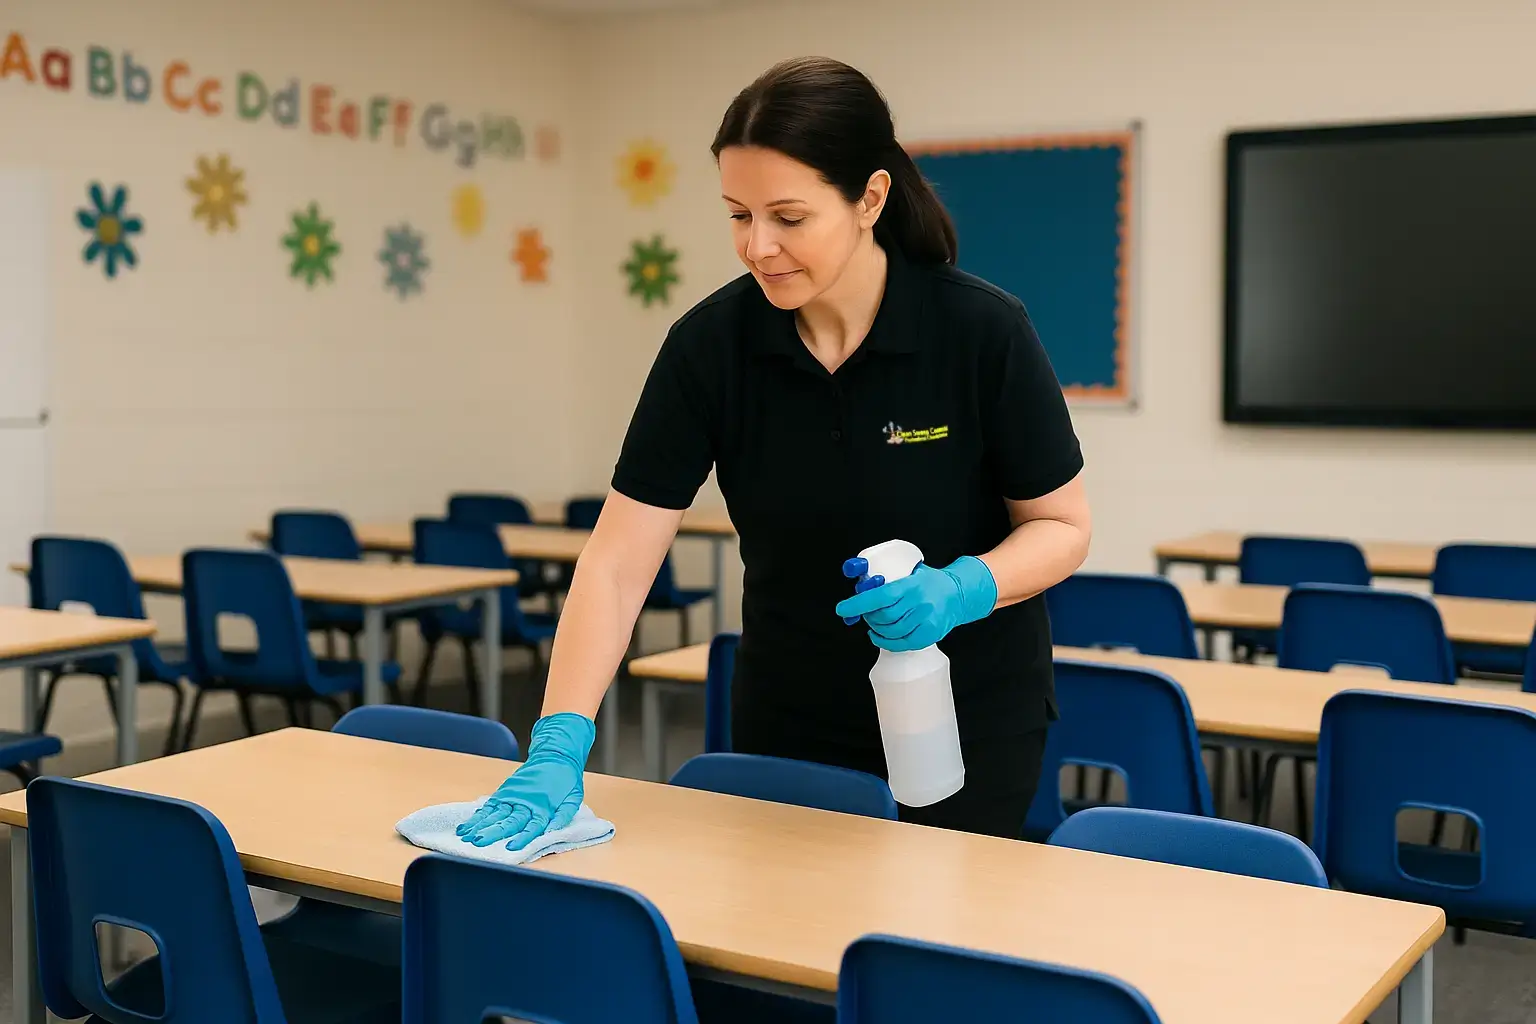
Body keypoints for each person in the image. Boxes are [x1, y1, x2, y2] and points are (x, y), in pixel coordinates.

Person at [457, 55, 1091, 851]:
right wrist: (558, 739)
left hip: (966, 719)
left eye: (788, 218)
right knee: (783, 955)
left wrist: (964, 588)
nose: (758, 247)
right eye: (737, 215)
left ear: (870, 198)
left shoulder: (980, 333)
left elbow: (1063, 526)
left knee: (923, 955)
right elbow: (619, 562)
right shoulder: (710, 348)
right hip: (786, 718)